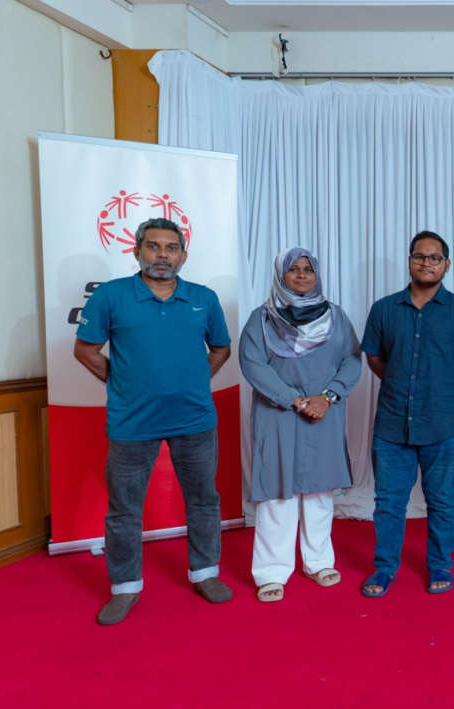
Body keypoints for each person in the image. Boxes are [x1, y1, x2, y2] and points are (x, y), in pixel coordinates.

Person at [73, 217, 233, 625]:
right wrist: (123, 384)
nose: (163, 255)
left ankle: (205, 573)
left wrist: (193, 382)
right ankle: (125, 587)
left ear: (183, 255)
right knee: (124, 509)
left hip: (194, 420)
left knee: (203, 500)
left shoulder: (204, 298)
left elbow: (220, 349)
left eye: (171, 248)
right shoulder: (111, 296)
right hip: (132, 423)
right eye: (154, 246)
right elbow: (85, 350)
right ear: (137, 251)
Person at [359, 231, 454, 597]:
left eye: (435, 258)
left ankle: (439, 565)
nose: (426, 263)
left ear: (447, 264)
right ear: (409, 261)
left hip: (445, 425)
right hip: (392, 423)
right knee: (388, 503)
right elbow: (374, 357)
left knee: (443, 501)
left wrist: (447, 390)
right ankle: (385, 568)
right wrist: (403, 384)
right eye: (419, 256)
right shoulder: (384, 309)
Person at [239, 247, 362, 602]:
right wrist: (294, 399)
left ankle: (318, 561)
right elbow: (252, 364)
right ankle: (271, 571)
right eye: (293, 269)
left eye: (308, 269)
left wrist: (328, 397)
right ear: (281, 276)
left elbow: (352, 360)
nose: (302, 275)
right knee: (278, 492)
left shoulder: (336, 317)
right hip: (278, 415)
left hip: (324, 413)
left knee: (319, 492)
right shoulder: (262, 319)